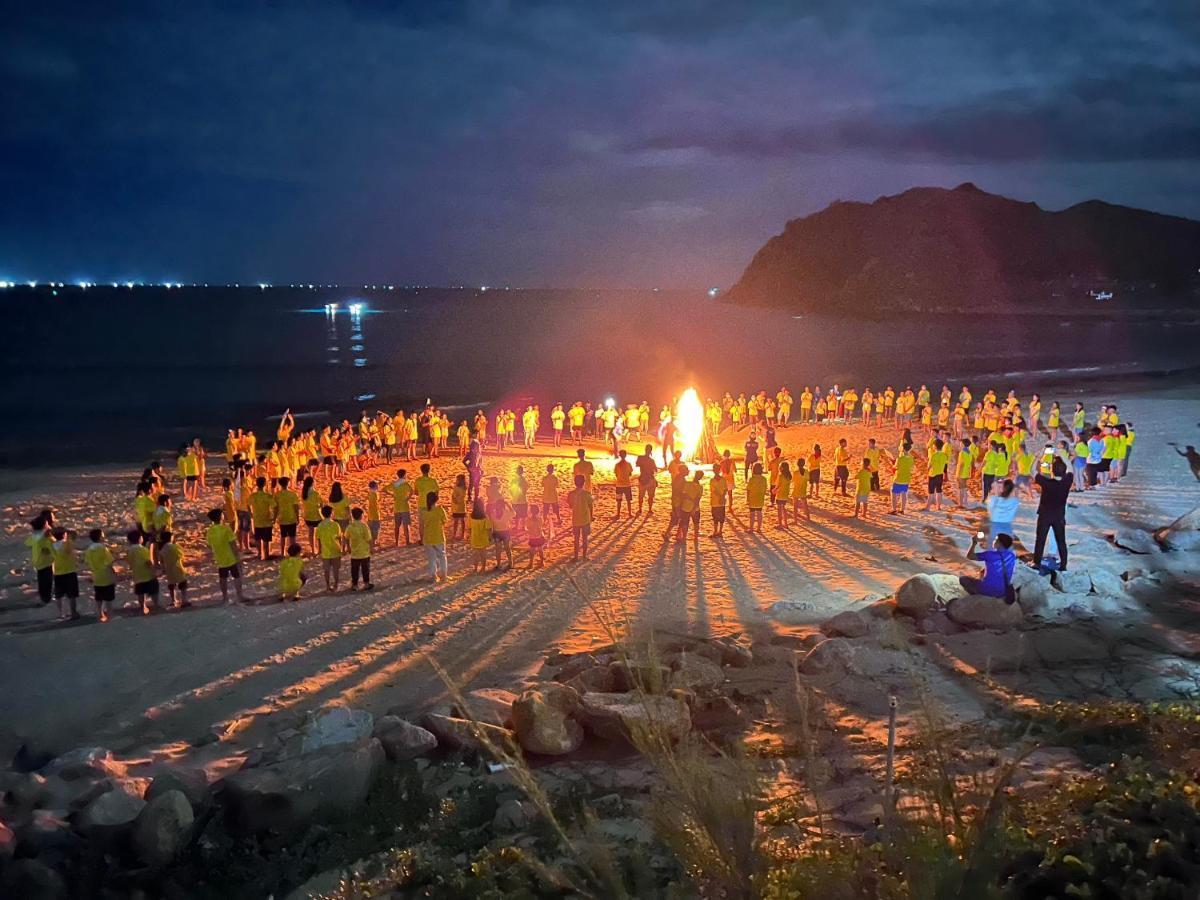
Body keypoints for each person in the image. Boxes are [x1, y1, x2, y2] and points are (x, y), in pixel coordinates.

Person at [1033, 457, 1072, 572]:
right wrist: (1062, 455)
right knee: (1061, 541)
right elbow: (1071, 469)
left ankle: (1036, 563)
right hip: (1059, 516)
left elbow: (1032, 471)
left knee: (1040, 540)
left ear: (1052, 471)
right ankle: (1063, 565)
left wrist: (1036, 457)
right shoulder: (1066, 482)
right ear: (1064, 471)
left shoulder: (1046, 483)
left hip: (1044, 516)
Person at [960, 532, 1017, 601]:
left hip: (988, 590)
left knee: (963, 579)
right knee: (983, 571)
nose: (993, 541)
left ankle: (977, 595)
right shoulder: (1012, 555)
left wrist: (974, 543)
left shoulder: (990, 555)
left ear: (999, 543)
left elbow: (970, 556)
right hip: (1002, 592)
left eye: (996, 540)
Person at [206, 508, 244, 603]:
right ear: (221, 517)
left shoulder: (210, 531)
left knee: (223, 578)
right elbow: (233, 544)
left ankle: (225, 597)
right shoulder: (226, 528)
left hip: (220, 558)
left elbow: (209, 545)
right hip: (230, 557)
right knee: (237, 576)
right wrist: (238, 557)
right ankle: (239, 595)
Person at [83, 528, 116, 622]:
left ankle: (100, 614)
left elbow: (87, 562)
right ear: (100, 537)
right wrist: (114, 573)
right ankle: (109, 615)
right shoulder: (103, 548)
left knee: (99, 597)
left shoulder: (89, 549)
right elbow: (109, 562)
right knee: (109, 598)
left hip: (96, 575)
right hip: (106, 575)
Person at [49, 525, 80, 620]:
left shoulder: (52, 546)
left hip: (58, 572)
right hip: (70, 571)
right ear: (64, 535)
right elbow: (75, 535)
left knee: (59, 595)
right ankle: (73, 612)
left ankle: (61, 613)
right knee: (72, 595)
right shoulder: (68, 544)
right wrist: (69, 531)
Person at [126, 529, 159, 615]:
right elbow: (148, 562)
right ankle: (156, 605)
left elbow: (129, 562)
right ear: (140, 539)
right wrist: (154, 571)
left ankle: (143, 607)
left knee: (140, 593)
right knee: (153, 591)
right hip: (148, 575)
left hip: (137, 576)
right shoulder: (143, 550)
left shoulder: (129, 551)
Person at [26, 515, 54, 606]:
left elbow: (28, 542)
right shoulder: (46, 536)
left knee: (41, 580)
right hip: (47, 562)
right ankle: (47, 598)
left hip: (38, 562)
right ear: (44, 526)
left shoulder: (35, 535)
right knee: (48, 581)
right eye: (46, 523)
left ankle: (43, 596)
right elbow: (53, 543)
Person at [345, 507, 375, 591]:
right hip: (364, 552)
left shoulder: (350, 526)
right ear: (361, 516)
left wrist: (348, 547)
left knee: (354, 570)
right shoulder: (364, 526)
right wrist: (372, 548)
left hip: (355, 553)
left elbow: (346, 537)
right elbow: (369, 539)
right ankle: (366, 584)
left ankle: (355, 585)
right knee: (365, 569)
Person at [315, 505, 343, 592]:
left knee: (326, 570)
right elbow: (339, 537)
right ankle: (335, 585)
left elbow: (318, 539)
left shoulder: (320, 525)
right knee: (335, 570)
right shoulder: (335, 524)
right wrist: (341, 547)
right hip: (335, 550)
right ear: (331, 514)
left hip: (325, 551)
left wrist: (319, 550)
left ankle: (327, 585)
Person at [422, 491, 449, 582]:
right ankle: (444, 575)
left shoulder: (424, 512)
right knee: (442, 555)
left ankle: (433, 576)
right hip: (438, 536)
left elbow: (422, 524)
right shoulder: (440, 510)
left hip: (428, 537)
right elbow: (444, 521)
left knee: (431, 558)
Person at [160, 531, 191, 609]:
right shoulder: (175, 547)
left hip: (168, 569)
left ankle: (173, 600)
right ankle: (184, 600)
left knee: (171, 585)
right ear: (171, 538)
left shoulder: (162, 549)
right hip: (177, 568)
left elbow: (161, 560)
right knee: (183, 584)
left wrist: (163, 568)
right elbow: (181, 555)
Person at [985, 479, 1019, 545]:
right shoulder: (1014, 501)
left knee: (993, 545)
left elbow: (989, 508)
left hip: (995, 523)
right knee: (1006, 545)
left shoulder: (994, 499)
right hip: (1007, 525)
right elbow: (1016, 498)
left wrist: (995, 493)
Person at [568, 473, 594, 560]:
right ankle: (584, 556)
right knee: (585, 539)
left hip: (576, 519)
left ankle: (576, 557)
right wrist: (591, 516)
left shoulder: (571, 494)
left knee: (576, 539)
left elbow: (570, 506)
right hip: (585, 519)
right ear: (584, 483)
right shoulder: (587, 494)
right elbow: (591, 506)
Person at [276, 476, 301, 559]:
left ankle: (282, 553)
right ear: (288, 483)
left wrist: (275, 517)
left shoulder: (277, 495)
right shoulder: (293, 494)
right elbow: (296, 507)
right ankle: (293, 553)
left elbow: (276, 507)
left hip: (282, 517)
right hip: (291, 518)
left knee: (283, 536)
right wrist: (298, 517)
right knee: (292, 537)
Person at [388, 469, 413, 546]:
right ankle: (407, 541)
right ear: (404, 475)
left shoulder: (394, 484)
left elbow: (384, 489)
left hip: (397, 507)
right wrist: (408, 498)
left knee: (397, 526)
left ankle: (396, 542)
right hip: (405, 506)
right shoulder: (406, 484)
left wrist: (392, 495)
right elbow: (412, 491)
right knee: (406, 525)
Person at [678, 469, 703, 545]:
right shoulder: (700, 487)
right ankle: (695, 538)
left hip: (685, 506)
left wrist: (688, 499)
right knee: (696, 523)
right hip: (695, 508)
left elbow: (683, 495)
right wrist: (694, 508)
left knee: (685, 523)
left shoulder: (687, 484)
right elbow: (697, 499)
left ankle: (684, 538)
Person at [924, 439, 949, 511]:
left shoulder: (933, 455)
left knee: (931, 492)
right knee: (939, 490)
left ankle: (927, 507)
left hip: (932, 475)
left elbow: (929, 466)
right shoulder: (945, 455)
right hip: (940, 474)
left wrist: (927, 471)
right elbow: (945, 465)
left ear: (935, 446)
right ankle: (938, 507)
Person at [468, 499, 492, 573]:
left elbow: (469, 528)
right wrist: (490, 537)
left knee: (475, 554)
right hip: (483, 538)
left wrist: (469, 536)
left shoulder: (471, 516)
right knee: (483, 554)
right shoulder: (485, 517)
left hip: (474, 537)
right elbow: (488, 528)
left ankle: (475, 568)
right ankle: (483, 568)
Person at [891, 442, 914, 514]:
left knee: (894, 494)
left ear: (903, 449)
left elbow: (895, 467)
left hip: (898, 478)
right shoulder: (911, 459)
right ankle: (902, 510)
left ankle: (894, 510)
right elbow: (912, 468)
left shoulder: (900, 458)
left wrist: (893, 463)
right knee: (904, 493)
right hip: (906, 479)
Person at [635, 445, 658, 515]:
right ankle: (649, 509)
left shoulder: (640, 458)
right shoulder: (651, 460)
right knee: (650, 496)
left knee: (641, 496)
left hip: (643, 479)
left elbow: (637, 465)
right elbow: (655, 470)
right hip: (650, 479)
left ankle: (640, 509)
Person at [745, 462, 767, 534]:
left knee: (752, 514)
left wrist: (747, 499)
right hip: (760, 498)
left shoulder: (752, 479)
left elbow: (748, 489)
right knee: (759, 513)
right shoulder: (764, 479)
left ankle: (751, 528)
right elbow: (765, 488)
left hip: (752, 498)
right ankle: (758, 528)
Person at [709, 464, 728, 537]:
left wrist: (720, 497)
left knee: (716, 517)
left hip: (715, 501)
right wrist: (722, 497)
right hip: (721, 501)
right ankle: (719, 531)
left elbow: (713, 491)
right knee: (721, 516)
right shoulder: (723, 480)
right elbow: (725, 489)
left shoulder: (712, 480)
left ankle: (716, 531)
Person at [613, 449, 633, 518]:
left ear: (620, 456)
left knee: (619, 501)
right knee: (628, 500)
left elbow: (616, 474)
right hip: (627, 484)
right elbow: (630, 473)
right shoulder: (628, 464)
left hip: (619, 484)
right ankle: (630, 513)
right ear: (625, 455)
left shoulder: (617, 465)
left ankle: (618, 514)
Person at [541, 464, 561, 529]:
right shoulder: (555, 478)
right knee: (556, 509)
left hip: (546, 496)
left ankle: (544, 521)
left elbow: (542, 485)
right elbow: (557, 485)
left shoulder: (544, 478)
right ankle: (559, 519)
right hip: (553, 496)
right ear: (553, 470)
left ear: (547, 470)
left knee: (545, 510)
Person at [450, 474, 468, 541]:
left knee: (460, 520)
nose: (456, 481)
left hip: (459, 506)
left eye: (457, 480)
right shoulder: (458, 487)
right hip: (457, 506)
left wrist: (455, 499)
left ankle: (461, 534)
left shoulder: (462, 488)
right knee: (457, 521)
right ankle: (456, 534)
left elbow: (459, 497)